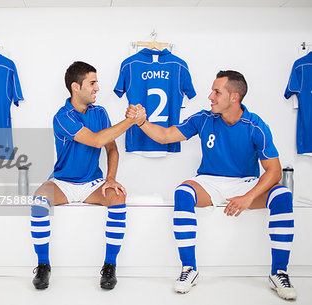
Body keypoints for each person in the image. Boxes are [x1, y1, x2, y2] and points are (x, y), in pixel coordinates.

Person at [126, 70, 296, 301]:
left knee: (283, 195)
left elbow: (274, 171)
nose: (210, 96)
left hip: (245, 183)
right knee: (183, 192)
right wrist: (142, 122)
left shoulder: (255, 126)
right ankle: (189, 269)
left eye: (217, 92)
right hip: (210, 181)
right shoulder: (204, 118)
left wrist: (248, 197)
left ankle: (279, 272)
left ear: (234, 97)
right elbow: (165, 135)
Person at [30, 61, 145, 290]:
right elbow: (95, 140)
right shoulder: (62, 116)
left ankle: (110, 266)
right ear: (75, 87)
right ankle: (43, 265)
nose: (97, 88)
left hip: (92, 183)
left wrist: (110, 178)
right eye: (92, 83)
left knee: (118, 196)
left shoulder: (100, 113)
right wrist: (131, 121)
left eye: (96, 83)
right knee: (39, 200)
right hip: (63, 182)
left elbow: (111, 148)